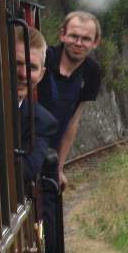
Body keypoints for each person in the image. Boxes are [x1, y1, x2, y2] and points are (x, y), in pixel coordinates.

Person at [37, 10, 103, 190]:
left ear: (95, 42)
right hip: (29, 148)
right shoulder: (43, 59)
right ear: (62, 35)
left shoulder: (92, 72)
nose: (79, 43)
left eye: (86, 39)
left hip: (51, 156)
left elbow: (73, 121)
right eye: (74, 36)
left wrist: (59, 168)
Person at [14, 26, 59, 186]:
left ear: (41, 75)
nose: (23, 73)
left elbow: (24, 171)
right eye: (16, 63)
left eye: (32, 67)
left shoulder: (42, 122)